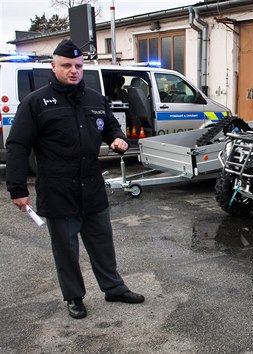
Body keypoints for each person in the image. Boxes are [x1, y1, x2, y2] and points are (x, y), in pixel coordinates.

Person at [5, 39, 144, 320]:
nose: (73, 71)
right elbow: (17, 145)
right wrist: (17, 188)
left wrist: (118, 139)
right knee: (66, 249)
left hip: (91, 186)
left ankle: (114, 287)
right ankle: (74, 297)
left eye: (78, 66)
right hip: (58, 190)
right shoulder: (35, 103)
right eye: (67, 65)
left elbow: (111, 127)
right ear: (54, 67)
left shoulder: (95, 99)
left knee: (102, 242)